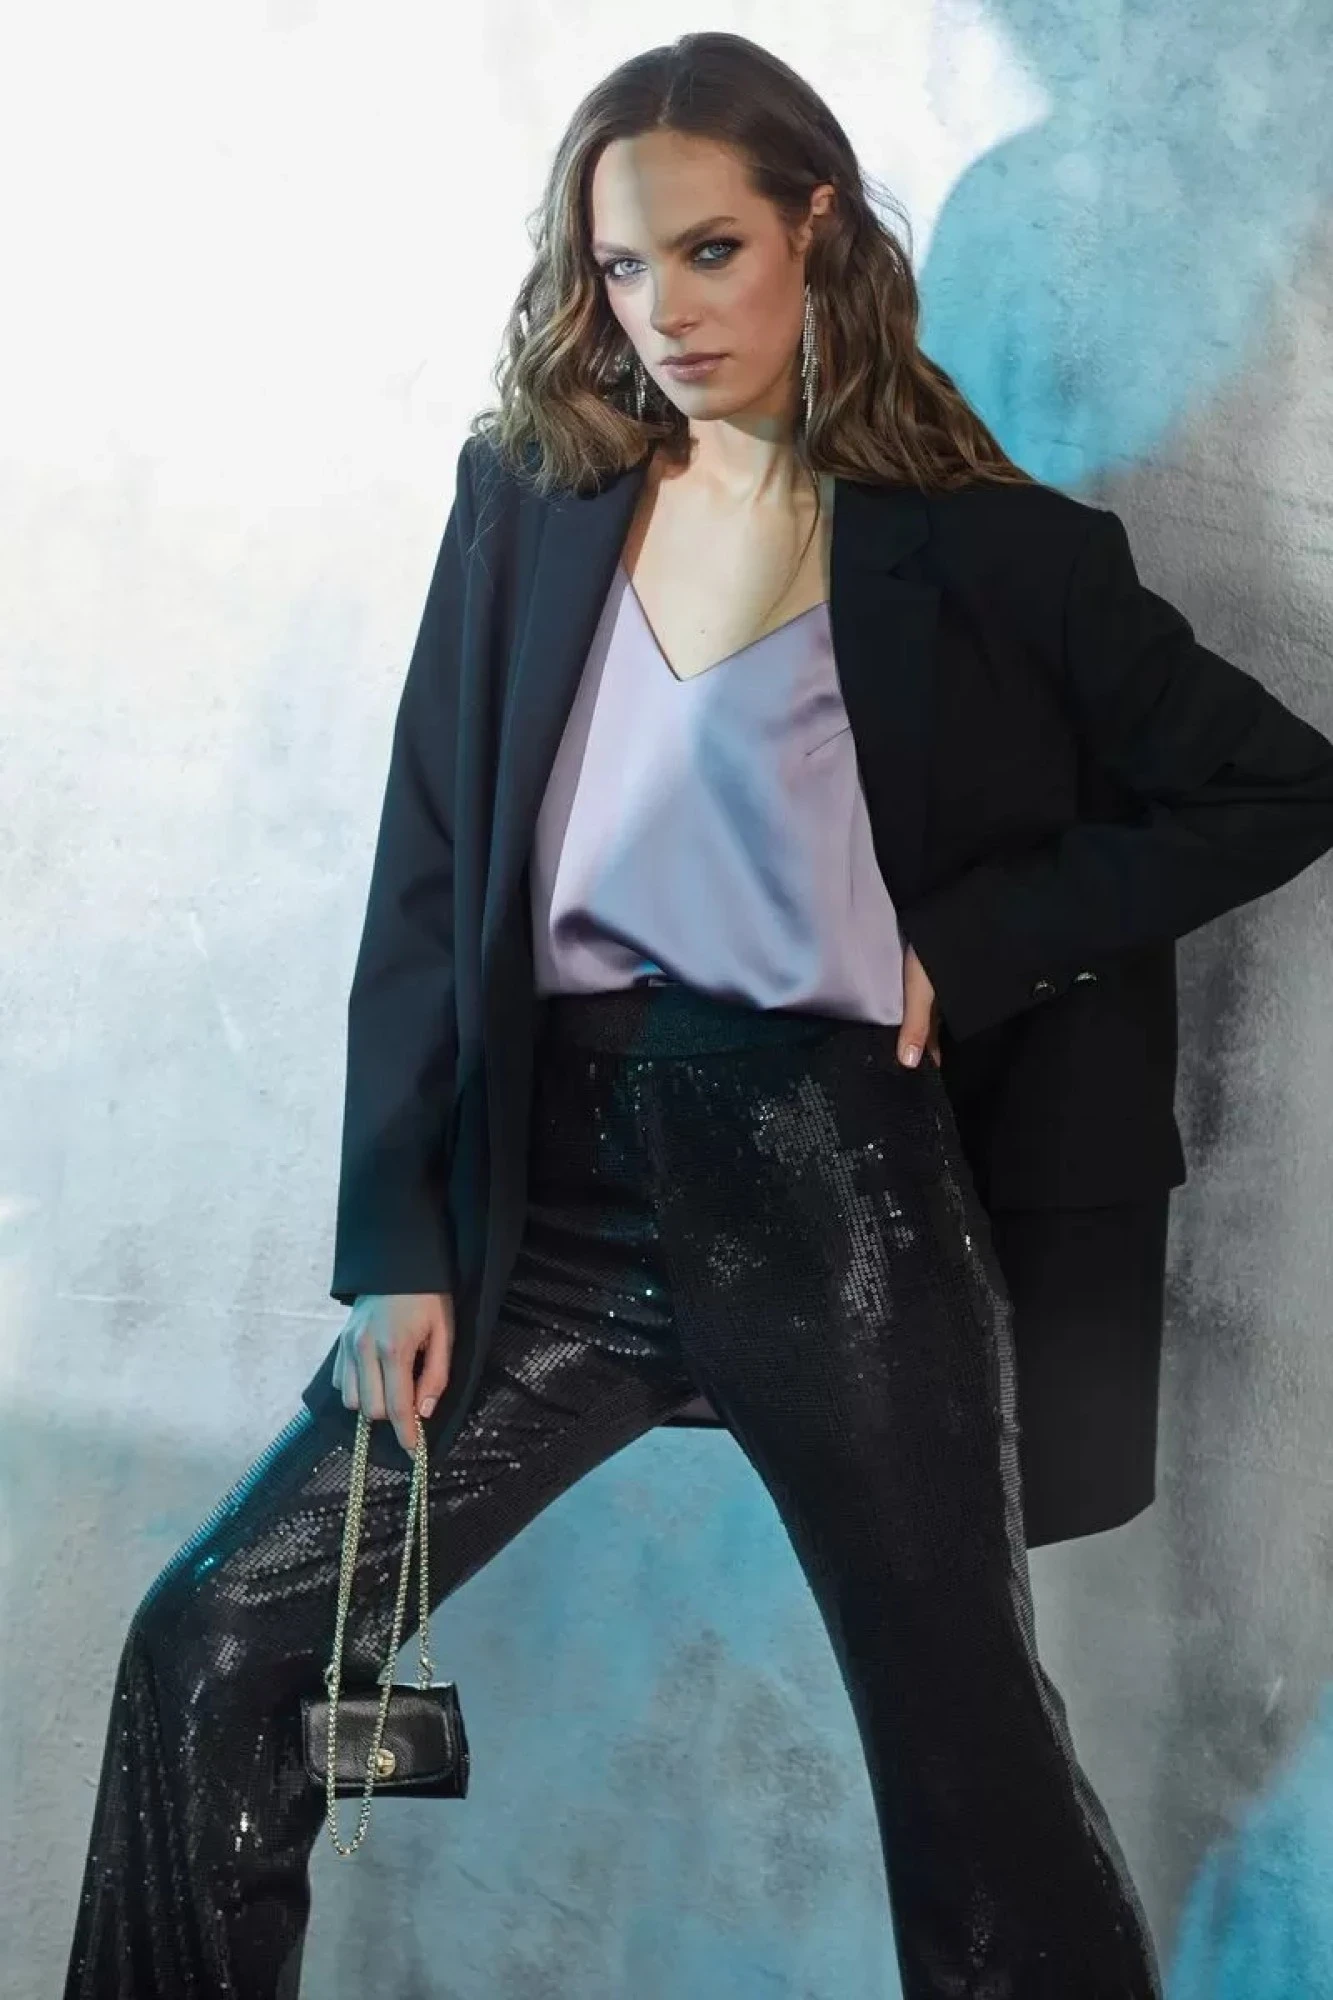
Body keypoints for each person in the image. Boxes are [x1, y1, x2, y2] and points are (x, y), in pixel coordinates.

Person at [64, 31, 1333, 2000]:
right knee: (221, 1643)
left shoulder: (990, 550)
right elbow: (428, 880)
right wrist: (400, 1243)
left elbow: (1274, 781)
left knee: (975, 1794)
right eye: (623, 267)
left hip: (835, 1198)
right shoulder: (532, 500)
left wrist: (963, 949)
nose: (664, 312)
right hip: (549, 1209)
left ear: (817, 227)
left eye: (711, 252)